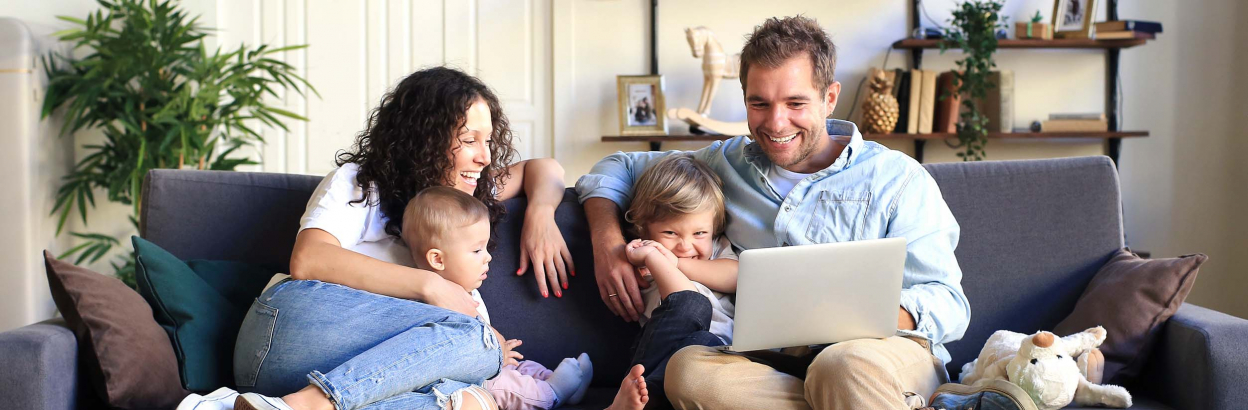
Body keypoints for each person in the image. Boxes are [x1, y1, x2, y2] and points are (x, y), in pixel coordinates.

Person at [575, 15, 970, 410]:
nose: (776, 123)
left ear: (829, 98)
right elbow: (618, 168)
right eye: (759, 103)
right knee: (689, 372)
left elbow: (949, 302)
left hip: (879, 354)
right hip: (769, 365)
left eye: (795, 103)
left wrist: (859, 316)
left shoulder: (896, 178)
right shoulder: (723, 162)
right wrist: (608, 243)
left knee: (842, 365)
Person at [211, 66, 573, 410]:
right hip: (283, 337)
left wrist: (540, 217)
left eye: (488, 140)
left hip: (345, 374)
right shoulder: (361, 183)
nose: (484, 156)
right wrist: (430, 286)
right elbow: (309, 259)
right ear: (425, 139)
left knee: (470, 399)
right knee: (479, 341)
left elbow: (544, 169)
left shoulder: (465, 198)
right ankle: (308, 404)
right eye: (469, 140)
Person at [399, 186, 594, 410]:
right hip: (469, 379)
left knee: (522, 367)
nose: (488, 257)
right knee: (506, 386)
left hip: (491, 362)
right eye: (477, 251)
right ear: (437, 259)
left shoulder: (468, 290)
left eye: (486, 247)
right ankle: (553, 393)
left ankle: (565, 386)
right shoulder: (431, 302)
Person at [600, 154, 740, 410]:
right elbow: (685, 300)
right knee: (692, 308)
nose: (685, 246)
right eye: (670, 233)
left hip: (715, 356)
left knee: (706, 342)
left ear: (714, 228)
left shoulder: (716, 250)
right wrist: (655, 258)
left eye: (699, 233)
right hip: (661, 353)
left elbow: (736, 276)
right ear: (643, 229)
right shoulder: (644, 258)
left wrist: (675, 263)